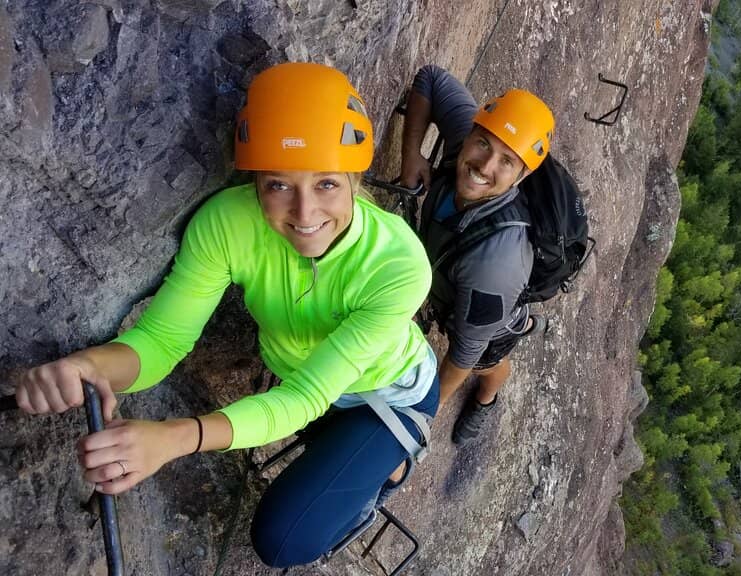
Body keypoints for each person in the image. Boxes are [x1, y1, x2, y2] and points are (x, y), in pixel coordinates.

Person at [14, 62, 437, 568]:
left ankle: (386, 473)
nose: (304, 215)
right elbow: (163, 340)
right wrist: (87, 369)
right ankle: (365, 462)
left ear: (355, 179)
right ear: (255, 180)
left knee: (282, 543)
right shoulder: (227, 223)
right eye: (278, 185)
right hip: (305, 382)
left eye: (327, 184)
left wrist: (173, 438)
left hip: (387, 392)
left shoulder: (399, 266)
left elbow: (303, 399)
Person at [399, 65, 554, 444]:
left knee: (489, 363)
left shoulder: (495, 265)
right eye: (484, 143)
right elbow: (431, 79)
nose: (485, 166)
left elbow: (462, 356)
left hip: (490, 318)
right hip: (448, 282)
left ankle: (487, 399)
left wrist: (416, 423)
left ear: (519, 177)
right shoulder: (461, 150)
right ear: (470, 132)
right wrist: (411, 154)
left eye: (506, 161)